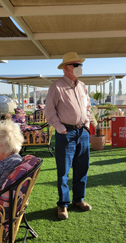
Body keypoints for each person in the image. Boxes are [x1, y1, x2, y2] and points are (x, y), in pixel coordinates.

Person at [45, 52, 91, 220]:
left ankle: (78, 200)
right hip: (66, 133)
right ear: (66, 68)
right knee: (63, 171)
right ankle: (63, 204)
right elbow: (49, 112)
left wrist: (86, 124)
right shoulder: (56, 86)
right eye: (76, 65)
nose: (79, 68)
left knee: (82, 167)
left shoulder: (82, 86)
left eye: (80, 65)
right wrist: (61, 129)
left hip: (82, 132)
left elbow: (87, 106)